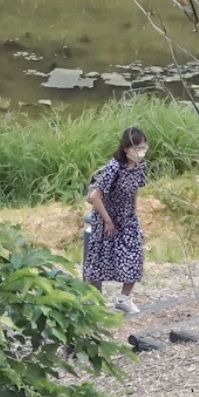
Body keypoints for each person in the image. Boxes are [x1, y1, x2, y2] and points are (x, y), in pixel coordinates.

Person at [83, 126, 148, 315]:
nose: (141, 152)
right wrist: (108, 221)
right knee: (98, 261)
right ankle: (93, 302)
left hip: (126, 218)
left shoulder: (140, 166)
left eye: (144, 148)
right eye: (137, 148)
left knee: (134, 257)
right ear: (127, 149)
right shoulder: (114, 168)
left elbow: (135, 188)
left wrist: (134, 210)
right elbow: (94, 197)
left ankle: (124, 298)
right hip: (106, 217)